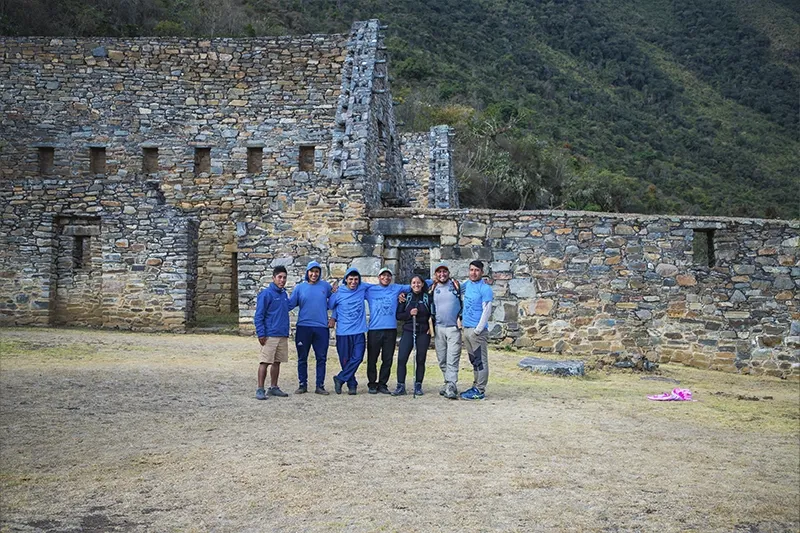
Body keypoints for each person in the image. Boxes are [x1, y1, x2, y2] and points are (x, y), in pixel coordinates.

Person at [288, 260, 333, 395]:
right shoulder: (299, 288)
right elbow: (290, 305)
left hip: (321, 328)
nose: (314, 274)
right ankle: (302, 384)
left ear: (320, 273)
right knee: (302, 357)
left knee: (321, 357)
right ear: (307, 273)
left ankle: (320, 385)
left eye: (317, 272)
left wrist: (333, 317)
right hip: (303, 327)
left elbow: (337, 301)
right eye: (312, 271)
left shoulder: (325, 287)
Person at [364, 267, 410, 394]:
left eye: (388, 276)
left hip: (390, 329)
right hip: (374, 329)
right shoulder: (370, 289)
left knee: (387, 358)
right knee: (372, 358)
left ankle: (383, 384)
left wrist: (433, 281)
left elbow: (415, 285)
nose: (386, 278)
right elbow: (355, 286)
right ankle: (372, 383)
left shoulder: (396, 288)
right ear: (379, 277)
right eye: (383, 276)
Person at [327, 267, 369, 395]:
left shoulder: (363, 288)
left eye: (356, 279)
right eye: (351, 279)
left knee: (358, 357)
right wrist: (333, 316)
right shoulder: (338, 293)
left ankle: (340, 378)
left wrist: (430, 283)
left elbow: (381, 287)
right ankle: (352, 385)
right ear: (346, 280)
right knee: (345, 360)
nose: (353, 282)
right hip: (343, 332)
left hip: (359, 331)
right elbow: (331, 305)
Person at [253, 265, 291, 400]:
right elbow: (259, 315)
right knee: (265, 361)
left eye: (284, 278)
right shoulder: (266, 294)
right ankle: (260, 388)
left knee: (277, 362)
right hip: (270, 334)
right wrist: (261, 333)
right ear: (273, 278)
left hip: (282, 334)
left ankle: (274, 387)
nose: (282, 280)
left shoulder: (284, 295)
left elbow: (286, 308)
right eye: (279, 277)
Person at [393, 275, 432, 396]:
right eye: (414, 283)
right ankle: (400, 386)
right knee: (401, 358)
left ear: (422, 284)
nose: (416, 285)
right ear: (410, 285)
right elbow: (399, 316)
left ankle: (418, 385)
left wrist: (431, 328)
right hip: (409, 330)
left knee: (420, 359)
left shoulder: (428, 297)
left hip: (423, 332)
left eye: (419, 283)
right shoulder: (405, 297)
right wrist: (409, 314)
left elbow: (433, 314)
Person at [460, 260, 493, 400]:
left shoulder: (485, 289)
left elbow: (487, 311)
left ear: (482, 272)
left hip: (477, 331)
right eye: (471, 270)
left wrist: (478, 330)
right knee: (474, 360)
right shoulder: (466, 285)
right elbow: (452, 289)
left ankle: (480, 390)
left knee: (481, 360)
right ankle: (475, 385)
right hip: (466, 328)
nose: (473, 273)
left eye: (477, 270)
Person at [429, 263, 462, 400]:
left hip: (453, 328)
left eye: (444, 271)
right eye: (439, 272)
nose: (442, 274)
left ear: (448, 273)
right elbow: (415, 287)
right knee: (442, 358)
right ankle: (448, 382)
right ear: (435, 274)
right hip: (438, 328)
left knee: (452, 358)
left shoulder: (455, 285)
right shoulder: (432, 287)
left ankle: (451, 384)